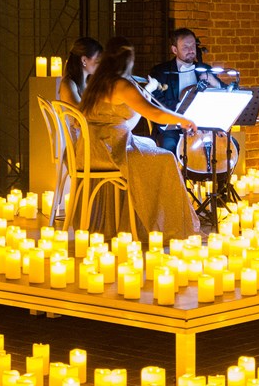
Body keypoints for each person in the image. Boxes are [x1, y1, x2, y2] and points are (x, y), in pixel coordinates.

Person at [77, 36, 201, 239]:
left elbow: (123, 121)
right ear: (128, 60)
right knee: (166, 158)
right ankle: (167, 225)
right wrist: (182, 119)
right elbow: (154, 112)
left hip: (91, 147)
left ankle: (139, 222)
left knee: (150, 144)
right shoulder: (121, 85)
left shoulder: (96, 82)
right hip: (109, 150)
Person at [147, 28, 232, 153]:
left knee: (230, 147)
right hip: (173, 125)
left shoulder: (205, 69)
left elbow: (228, 93)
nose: (191, 50)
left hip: (203, 126)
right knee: (169, 148)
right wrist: (179, 107)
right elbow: (154, 98)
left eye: (193, 46)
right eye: (185, 47)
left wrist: (214, 82)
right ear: (174, 50)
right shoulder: (161, 71)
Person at [58, 37, 103, 106]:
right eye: (97, 60)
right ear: (84, 60)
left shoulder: (88, 82)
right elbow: (79, 111)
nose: (100, 63)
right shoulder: (68, 84)